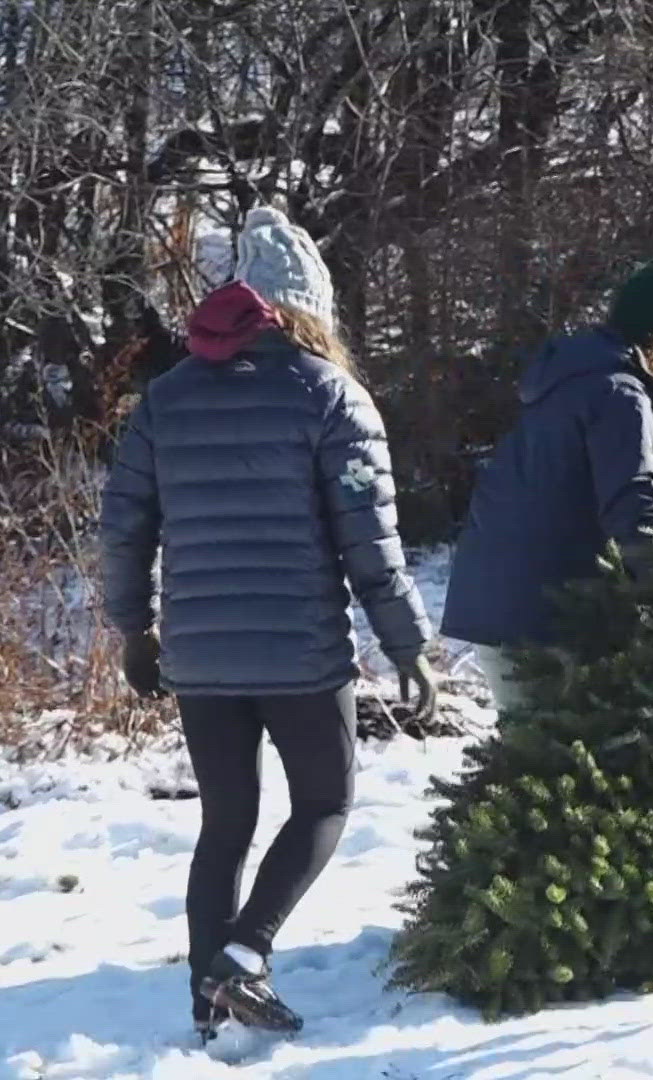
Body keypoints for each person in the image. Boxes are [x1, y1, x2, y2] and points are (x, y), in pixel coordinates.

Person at [100, 207, 436, 1038]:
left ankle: (205, 1013)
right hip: (301, 654)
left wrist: (135, 631)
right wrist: (408, 647)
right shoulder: (331, 395)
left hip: (202, 658)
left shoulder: (165, 399)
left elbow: (123, 529)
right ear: (304, 309)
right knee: (325, 801)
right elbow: (371, 541)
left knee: (225, 823)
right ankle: (244, 956)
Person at [440, 255, 653, 712]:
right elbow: (629, 501)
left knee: (523, 754)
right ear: (649, 335)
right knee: (548, 761)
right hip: (541, 606)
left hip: (498, 589)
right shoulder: (621, 392)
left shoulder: (573, 378)